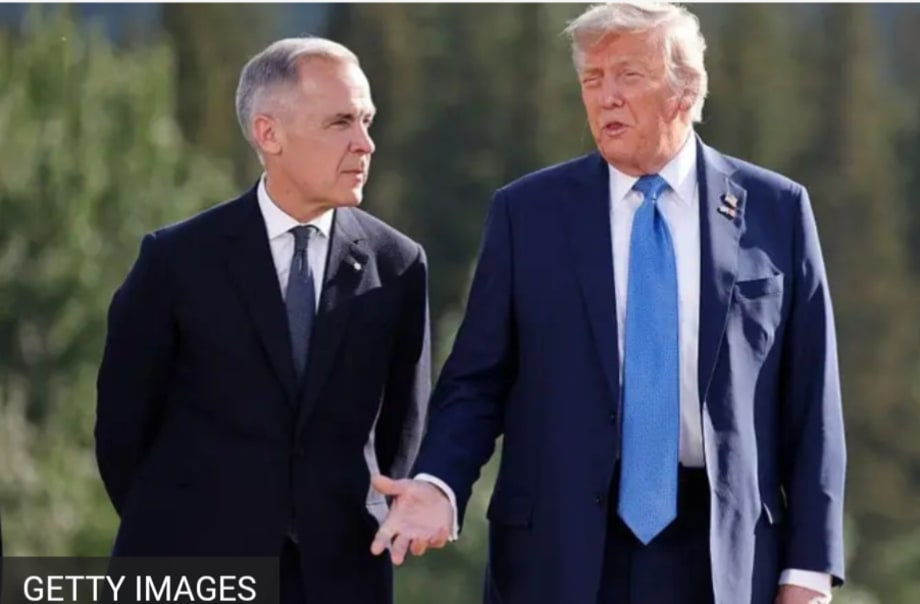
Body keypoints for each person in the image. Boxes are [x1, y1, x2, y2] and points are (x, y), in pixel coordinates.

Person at [370, 3, 846, 604]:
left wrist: (808, 570)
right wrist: (439, 483)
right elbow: (477, 380)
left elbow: (812, 400)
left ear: (686, 89)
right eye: (592, 79)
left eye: (628, 75)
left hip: (723, 557)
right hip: (559, 552)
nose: (606, 97)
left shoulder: (777, 210)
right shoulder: (527, 213)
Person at [95, 37, 431, 604]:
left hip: (341, 578)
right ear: (268, 133)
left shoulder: (397, 265)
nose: (365, 143)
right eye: (341, 122)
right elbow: (122, 432)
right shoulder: (175, 262)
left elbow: (403, 430)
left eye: (367, 120)